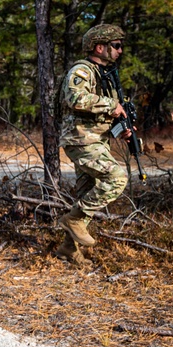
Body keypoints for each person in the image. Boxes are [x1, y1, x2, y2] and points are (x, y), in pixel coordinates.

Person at [56, 23, 133, 266]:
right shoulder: (83, 70)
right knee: (116, 178)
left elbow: (102, 113)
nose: (120, 50)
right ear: (99, 47)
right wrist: (112, 106)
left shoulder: (106, 76)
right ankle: (73, 220)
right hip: (81, 140)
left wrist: (121, 128)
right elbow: (76, 98)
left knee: (86, 193)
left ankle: (69, 248)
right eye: (116, 46)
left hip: (96, 139)